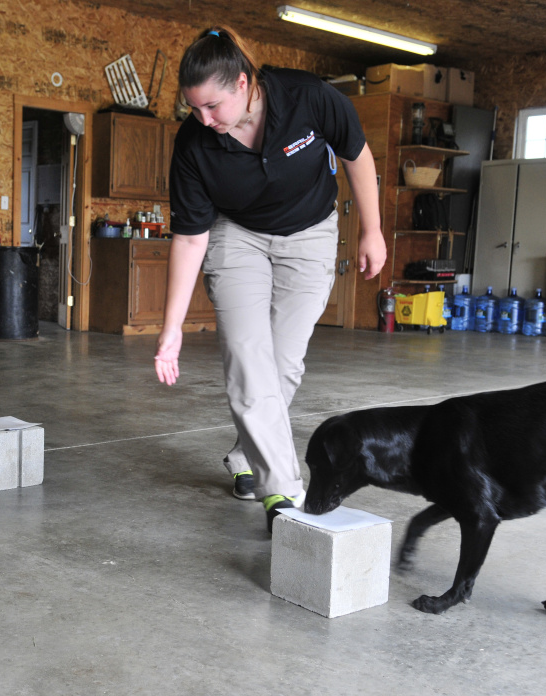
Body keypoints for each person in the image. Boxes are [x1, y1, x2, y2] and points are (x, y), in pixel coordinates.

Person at [154, 26, 385, 532]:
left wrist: (372, 230)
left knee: (283, 363)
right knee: (248, 355)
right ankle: (283, 489)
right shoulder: (194, 145)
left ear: (242, 83)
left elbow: (357, 157)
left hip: (311, 234)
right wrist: (171, 327)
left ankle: (245, 456)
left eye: (212, 106)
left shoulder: (308, 98)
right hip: (237, 237)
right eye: (193, 108)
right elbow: (191, 239)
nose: (203, 119)